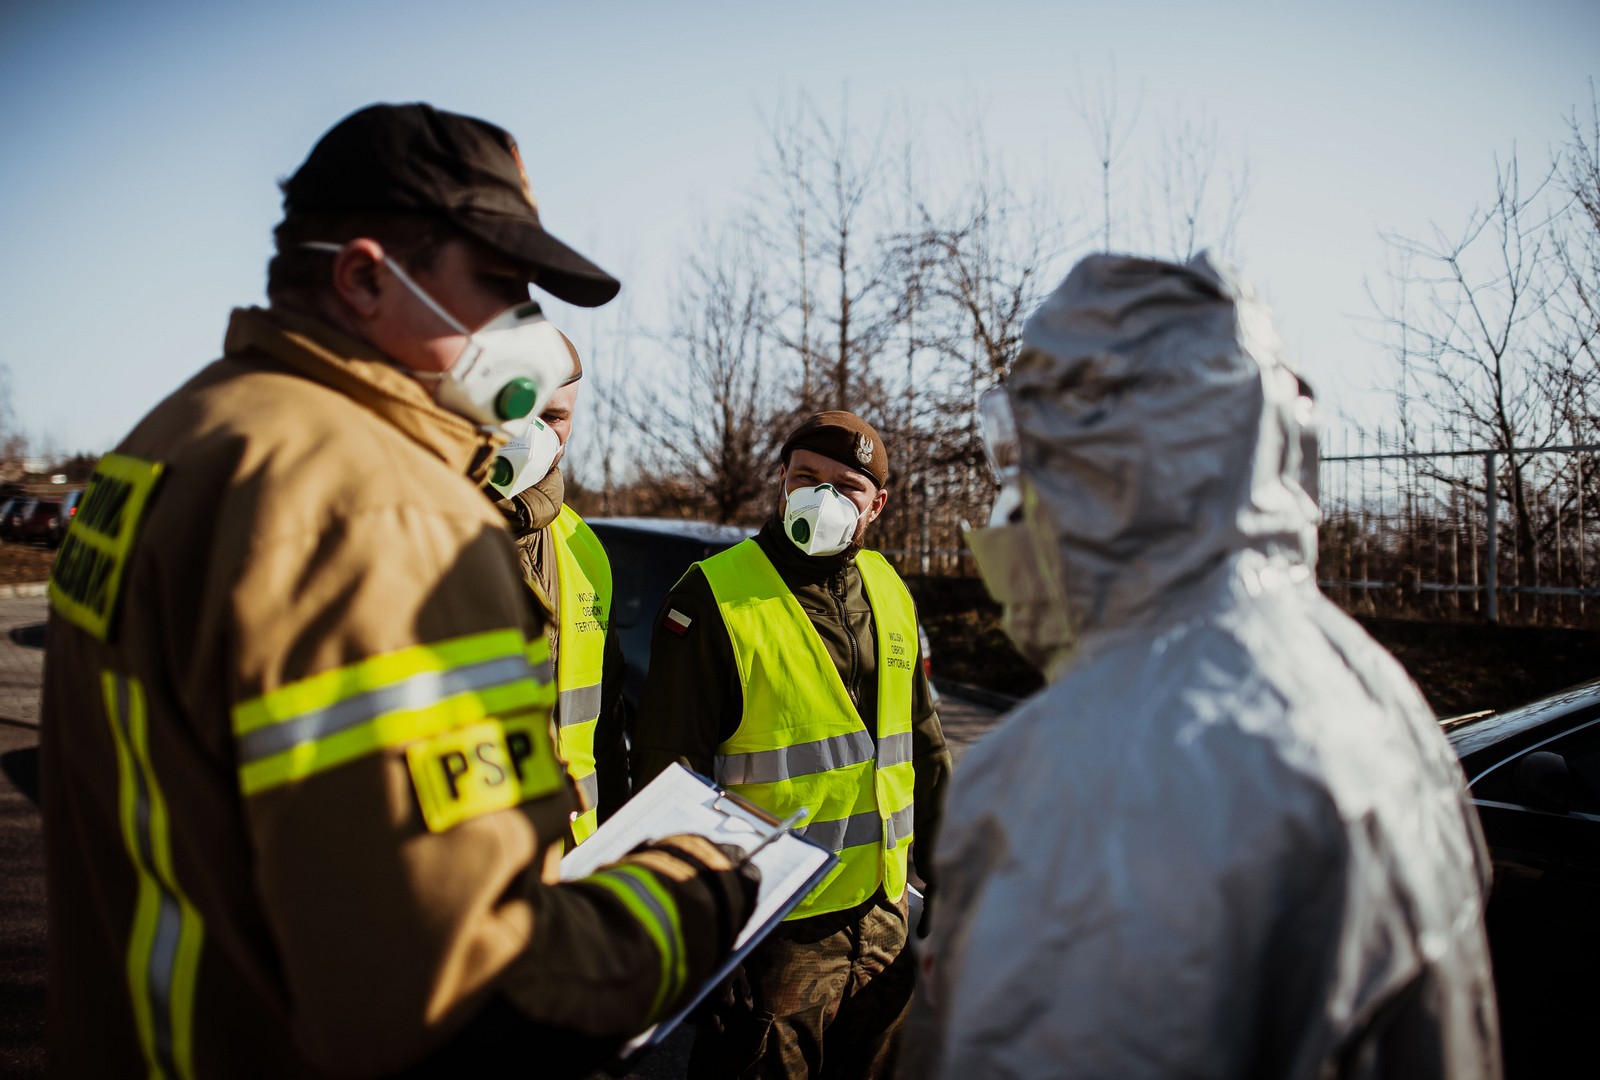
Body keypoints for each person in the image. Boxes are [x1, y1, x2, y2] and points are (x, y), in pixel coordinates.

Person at [39, 102, 757, 1079]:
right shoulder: (379, 507)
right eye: (499, 287)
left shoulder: (177, 439)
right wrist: (691, 893)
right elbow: (471, 994)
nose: (528, 335)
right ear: (366, 275)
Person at [901, 253, 1501, 1079]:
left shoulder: (1096, 768)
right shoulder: (1370, 684)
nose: (1013, 509)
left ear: (1105, 472)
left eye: (1036, 464)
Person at [632, 410, 952, 1079]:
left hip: (882, 920)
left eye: (846, 487)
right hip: (772, 932)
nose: (822, 498)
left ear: (877, 506)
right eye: (806, 476)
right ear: (781, 481)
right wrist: (706, 938)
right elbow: (669, 781)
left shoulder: (890, 591)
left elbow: (922, 744)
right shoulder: (714, 595)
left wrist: (950, 880)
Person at [484, 339, 628, 843]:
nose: (535, 433)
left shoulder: (584, 548)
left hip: (573, 856)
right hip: (469, 871)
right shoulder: (416, 530)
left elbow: (605, 732)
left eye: (554, 416)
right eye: (519, 409)